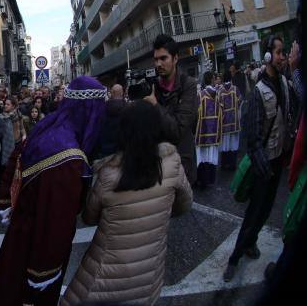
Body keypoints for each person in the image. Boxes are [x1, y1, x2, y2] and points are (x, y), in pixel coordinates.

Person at [0, 76, 106, 306]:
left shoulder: (47, 128)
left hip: (20, 231)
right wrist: (43, 271)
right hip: (35, 247)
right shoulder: (69, 158)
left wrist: (8, 201)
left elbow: (15, 159)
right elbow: (54, 223)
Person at [62, 100, 193, 304]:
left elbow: (89, 217)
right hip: (149, 276)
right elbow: (184, 204)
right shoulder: (172, 163)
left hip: (103, 279)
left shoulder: (109, 174)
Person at [224, 35, 293, 282]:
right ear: (267, 56)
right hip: (264, 165)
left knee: (265, 211)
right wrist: (265, 168)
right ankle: (234, 258)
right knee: (254, 213)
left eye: (284, 52)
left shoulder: (284, 82)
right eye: (278, 52)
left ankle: (250, 244)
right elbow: (252, 139)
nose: (283, 56)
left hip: (277, 161)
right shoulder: (258, 93)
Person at [144, 34, 198, 184]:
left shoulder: (188, 85)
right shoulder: (153, 87)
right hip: (157, 166)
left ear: (175, 58)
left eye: (163, 58)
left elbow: (177, 131)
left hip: (181, 166)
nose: (158, 64)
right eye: (156, 59)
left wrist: (155, 106)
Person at [196, 71, 222, 189]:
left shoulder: (200, 95)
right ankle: (210, 178)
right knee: (210, 155)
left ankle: (201, 179)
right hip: (214, 130)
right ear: (212, 79)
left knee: (201, 155)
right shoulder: (217, 94)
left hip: (202, 131)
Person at [93, 83, 125, 162]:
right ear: (122, 93)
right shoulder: (129, 108)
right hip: (122, 151)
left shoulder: (101, 109)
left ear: (112, 93)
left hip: (104, 151)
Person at [219, 71, 243, 171]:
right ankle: (232, 164)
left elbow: (218, 106)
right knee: (233, 143)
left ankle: (224, 164)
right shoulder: (235, 89)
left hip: (224, 123)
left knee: (224, 144)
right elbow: (241, 100)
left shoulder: (220, 91)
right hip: (234, 121)